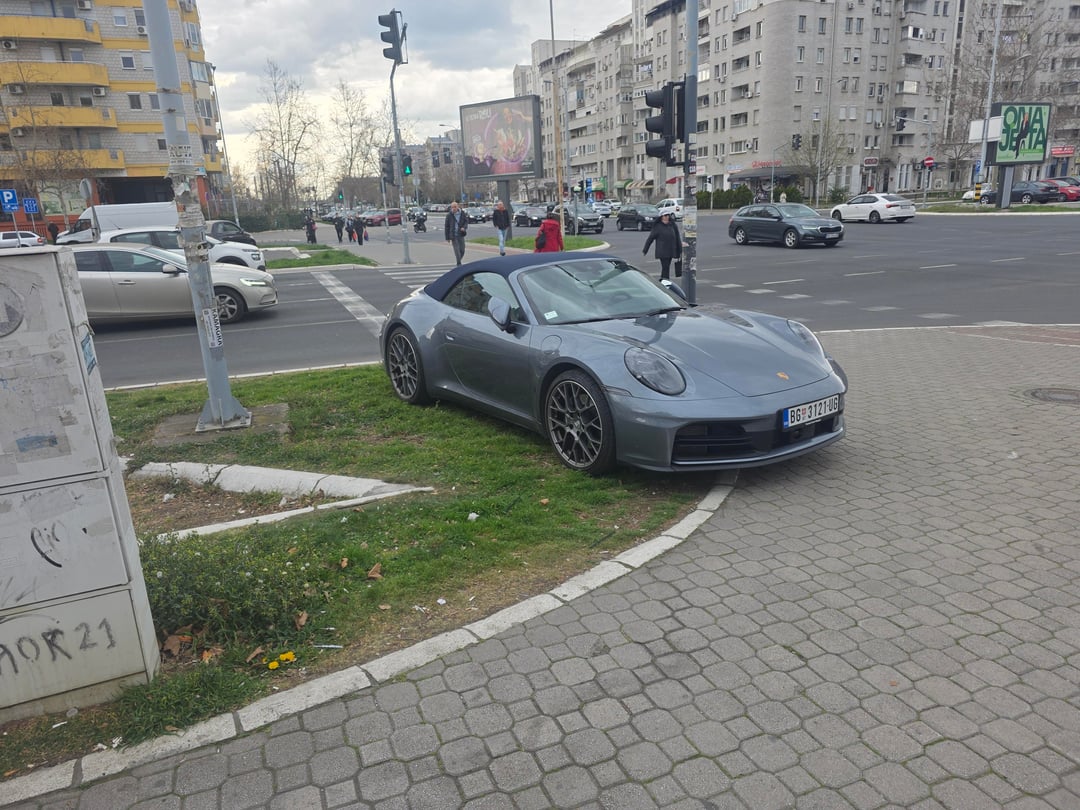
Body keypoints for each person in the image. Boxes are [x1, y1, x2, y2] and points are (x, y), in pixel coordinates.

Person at [642, 212, 682, 280]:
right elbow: (650, 238)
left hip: (671, 250)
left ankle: (664, 280)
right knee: (665, 267)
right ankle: (665, 281)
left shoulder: (672, 225)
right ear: (661, 217)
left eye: (668, 215)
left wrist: (680, 249)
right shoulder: (658, 227)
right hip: (662, 251)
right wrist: (645, 250)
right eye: (665, 215)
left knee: (666, 267)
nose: (667, 217)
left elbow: (677, 237)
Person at [444, 201, 468, 265]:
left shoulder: (462, 213)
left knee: (462, 250)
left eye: (455, 207)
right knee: (457, 251)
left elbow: (466, 222)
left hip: (461, 234)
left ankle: (459, 260)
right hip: (453, 235)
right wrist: (447, 238)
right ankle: (459, 263)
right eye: (452, 207)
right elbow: (447, 227)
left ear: (458, 207)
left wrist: (464, 227)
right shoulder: (449, 215)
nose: (453, 208)